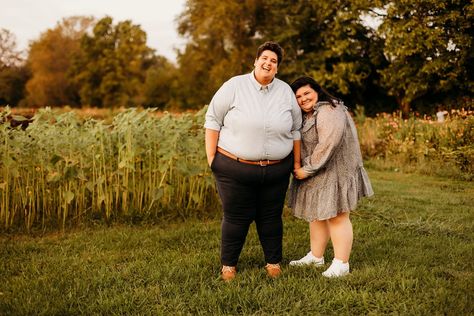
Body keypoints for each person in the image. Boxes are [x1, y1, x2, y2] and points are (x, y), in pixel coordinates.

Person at [204, 41, 302, 281]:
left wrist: (296, 164)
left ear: (277, 68)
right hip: (234, 168)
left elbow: (296, 129)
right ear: (256, 61)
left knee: (271, 217)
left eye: (274, 61)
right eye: (265, 58)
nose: (268, 63)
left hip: (276, 170)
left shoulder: (285, 91)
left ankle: (273, 262)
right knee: (236, 217)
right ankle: (229, 266)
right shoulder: (234, 86)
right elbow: (213, 119)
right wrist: (211, 159)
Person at [288, 76, 373, 277]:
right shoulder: (308, 115)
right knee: (317, 215)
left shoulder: (329, 110)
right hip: (321, 173)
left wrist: (306, 169)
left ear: (317, 91)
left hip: (336, 172)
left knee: (337, 216)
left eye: (306, 93)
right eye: (298, 96)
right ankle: (316, 257)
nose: (303, 99)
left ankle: (341, 264)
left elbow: (328, 144)